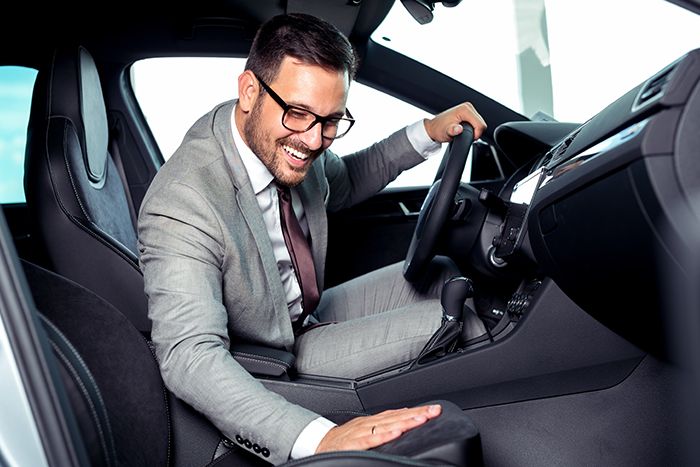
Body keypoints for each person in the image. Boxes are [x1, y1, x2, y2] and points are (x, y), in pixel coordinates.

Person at [137, 12, 487, 465]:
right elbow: (189, 357)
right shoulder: (183, 200)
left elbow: (344, 182)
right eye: (299, 114)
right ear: (249, 91)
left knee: (441, 274)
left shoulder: (291, 133)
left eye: (331, 121)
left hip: (307, 311)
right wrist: (319, 440)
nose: (315, 139)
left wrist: (428, 133)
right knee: (462, 322)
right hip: (277, 358)